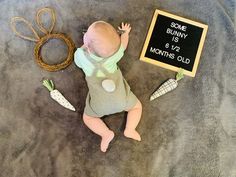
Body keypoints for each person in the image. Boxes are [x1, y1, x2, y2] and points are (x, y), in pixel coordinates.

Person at [74, 21, 142, 152]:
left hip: (99, 105)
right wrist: (125, 33)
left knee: (88, 118)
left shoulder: (81, 56)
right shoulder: (115, 55)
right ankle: (130, 129)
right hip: (122, 100)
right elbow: (123, 44)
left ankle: (105, 133)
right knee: (137, 107)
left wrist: (86, 45)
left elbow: (77, 61)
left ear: (86, 44)